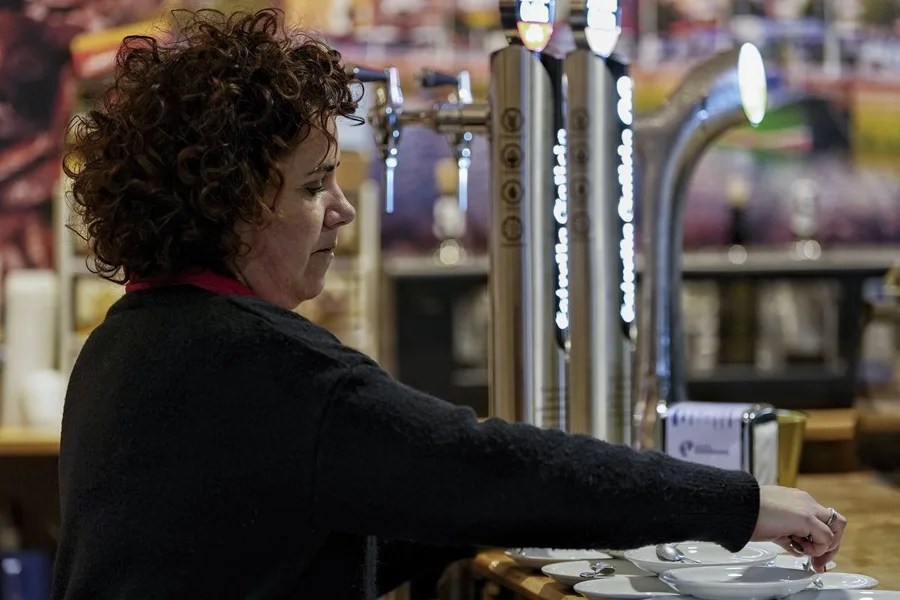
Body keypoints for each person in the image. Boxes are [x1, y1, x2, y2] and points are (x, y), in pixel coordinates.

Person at [53, 8, 846, 600]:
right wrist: (741, 503)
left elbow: (286, 532)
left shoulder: (127, 346)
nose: (343, 210)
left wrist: (471, 509)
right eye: (311, 185)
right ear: (224, 201)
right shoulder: (268, 368)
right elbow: (486, 468)